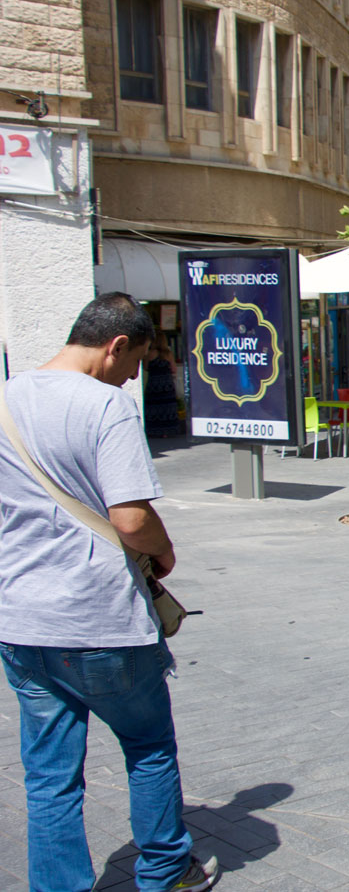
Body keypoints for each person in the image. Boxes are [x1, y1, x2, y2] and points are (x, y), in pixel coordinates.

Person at [0, 293, 218, 892]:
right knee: (148, 746)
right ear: (116, 345)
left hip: (21, 619)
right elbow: (130, 518)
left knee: (48, 777)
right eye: (136, 362)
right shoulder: (106, 407)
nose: (133, 378)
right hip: (99, 617)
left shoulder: (7, 396)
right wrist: (165, 553)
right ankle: (166, 870)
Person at [143, 333, 182, 439]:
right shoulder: (168, 354)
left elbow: (145, 368)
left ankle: (155, 430)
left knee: (153, 406)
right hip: (166, 383)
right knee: (167, 406)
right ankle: (168, 430)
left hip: (154, 384)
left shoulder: (149, 354)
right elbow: (174, 369)